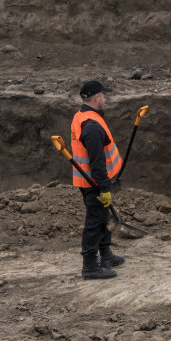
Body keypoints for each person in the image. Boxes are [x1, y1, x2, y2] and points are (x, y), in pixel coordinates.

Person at [70, 80, 125, 279]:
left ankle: (106, 255)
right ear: (96, 98)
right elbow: (97, 162)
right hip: (94, 183)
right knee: (94, 222)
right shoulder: (91, 125)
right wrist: (104, 189)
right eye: (104, 95)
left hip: (91, 181)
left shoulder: (84, 115)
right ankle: (90, 267)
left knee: (102, 218)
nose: (106, 98)